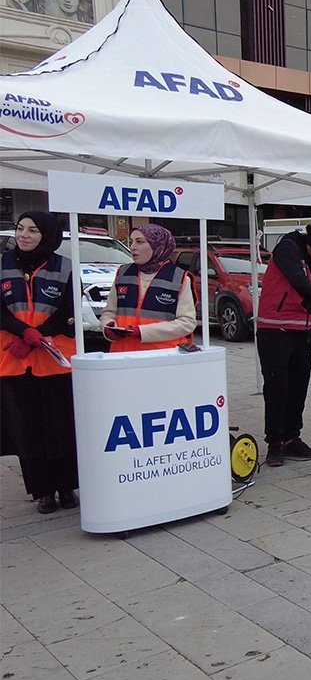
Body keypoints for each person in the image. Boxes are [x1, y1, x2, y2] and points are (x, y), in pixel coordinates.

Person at [0, 211, 78, 514]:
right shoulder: (3, 264)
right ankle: (43, 491)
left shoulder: (65, 267)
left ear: (46, 235)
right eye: (20, 228)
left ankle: (66, 487)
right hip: (14, 358)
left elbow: (69, 312)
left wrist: (37, 335)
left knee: (60, 427)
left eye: (33, 230)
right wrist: (23, 333)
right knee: (27, 430)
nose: (24, 235)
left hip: (54, 359)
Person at [256, 224, 311, 464]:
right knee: (277, 388)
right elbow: (297, 279)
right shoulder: (287, 249)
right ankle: (275, 442)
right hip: (274, 330)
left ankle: (292, 438)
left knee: (299, 387)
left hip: (301, 332)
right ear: (310, 245)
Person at [100, 224, 197, 352]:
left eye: (139, 242)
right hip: (123, 355)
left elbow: (187, 323)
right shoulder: (123, 273)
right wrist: (107, 326)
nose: (132, 247)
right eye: (131, 241)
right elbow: (109, 312)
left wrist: (142, 332)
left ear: (157, 246)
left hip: (160, 356)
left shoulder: (179, 277)